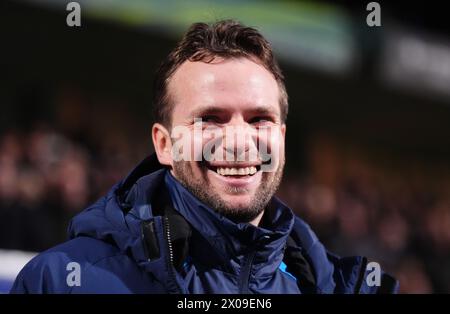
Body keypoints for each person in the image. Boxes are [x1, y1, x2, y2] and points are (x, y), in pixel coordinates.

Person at [10, 20, 398, 294]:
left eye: (259, 119)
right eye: (210, 119)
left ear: (280, 138)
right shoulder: (60, 282)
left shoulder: (340, 287)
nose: (238, 141)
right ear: (164, 145)